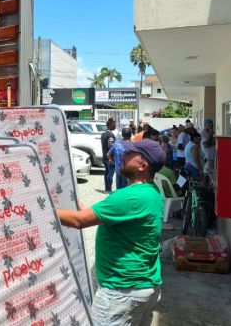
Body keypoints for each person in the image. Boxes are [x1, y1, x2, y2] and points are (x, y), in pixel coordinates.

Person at [57, 139, 165, 326]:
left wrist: (40, 209)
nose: (123, 156)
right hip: (145, 285)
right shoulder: (151, 193)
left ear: (142, 165)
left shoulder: (128, 197)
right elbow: (92, 214)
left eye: (129, 154)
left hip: (121, 291)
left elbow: (78, 221)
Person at [100, 118, 117, 193]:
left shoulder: (103, 134)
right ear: (111, 125)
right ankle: (109, 189)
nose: (115, 126)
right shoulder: (110, 134)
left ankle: (106, 188)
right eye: (114, 124)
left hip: (104, 156)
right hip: (110, 157)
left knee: (106, 172)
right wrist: (116, 145)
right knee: (110, 173)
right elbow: (110, 144)